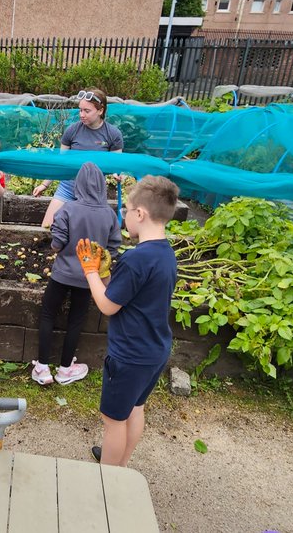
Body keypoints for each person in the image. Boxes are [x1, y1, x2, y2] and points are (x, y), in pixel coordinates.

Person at [76, 175, 180, 467]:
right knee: (135, 408)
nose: (124, 216)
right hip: (155, 349)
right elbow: (126, 294)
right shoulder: (165, 254)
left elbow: (107, 305)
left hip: (130, 355)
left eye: (126, 210)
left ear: (140, 214)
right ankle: (120, 465)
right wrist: (106, 273)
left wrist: (90, 271)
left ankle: (108, 478)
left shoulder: (136, 259)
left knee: (112, 420)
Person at [31, 161, 121, 386]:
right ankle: (65, 370)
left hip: (61, 274)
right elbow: (112, 249)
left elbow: (57, 244)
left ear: (78, 184)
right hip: (88, 279)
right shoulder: (109, 214)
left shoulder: (68, 209)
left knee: (48, 315)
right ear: (102, 185)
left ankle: (42, 368)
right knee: (76, 320)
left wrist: (60, 245)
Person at [31, 88, 124, 228]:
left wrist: (117, 174)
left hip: (94, 193)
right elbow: (60, 163)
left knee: (91, 233)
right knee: (48, 227)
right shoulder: (72, 130)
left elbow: (117, 164)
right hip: (68, 188)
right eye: (80, 110)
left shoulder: (113, 134)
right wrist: (44, 184)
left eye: (87, 111)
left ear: (100, 110)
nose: (81, 114)